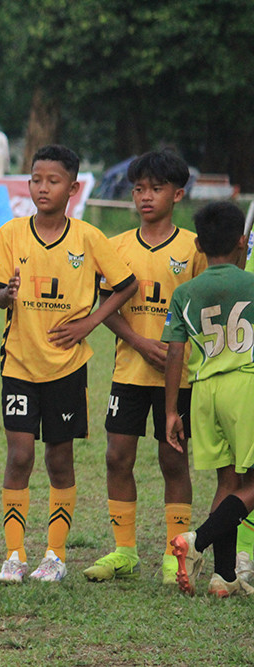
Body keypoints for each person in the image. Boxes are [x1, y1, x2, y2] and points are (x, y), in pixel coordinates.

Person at [0, 145, 136, 584]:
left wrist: (89, 323)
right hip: (18, 363)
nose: (42, 188)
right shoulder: (11, 233)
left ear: (72, 188)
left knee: (59, 458)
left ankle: (55, 555)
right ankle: (14, 555)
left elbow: (126, 285)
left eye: (53, 181)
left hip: (67, 368)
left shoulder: (89, 237)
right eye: (36, 180)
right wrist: (8, 293)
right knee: (19, 455)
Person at [83, 150, 204, 585]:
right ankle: (125, 551)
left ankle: (175, 554)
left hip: (179, 376)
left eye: (155, 189)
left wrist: (174, 349)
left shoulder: (193, 247)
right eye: (138, 189)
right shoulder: (116, 246)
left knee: (173, 460)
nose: (145, 197)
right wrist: (139, 342)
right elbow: (106, 305)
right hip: (128, 372)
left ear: (178, 194)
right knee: (117, 456)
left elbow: (204, 306)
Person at [164, 201, 254, 598]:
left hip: (203, 391)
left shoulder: (185, 292)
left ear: (198, 244)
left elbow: (174, 353)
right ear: (242, 241)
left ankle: (224, 577)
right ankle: (197, 539)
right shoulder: (251, 283)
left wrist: (171, 410)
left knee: (227, 482)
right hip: (245, 385)